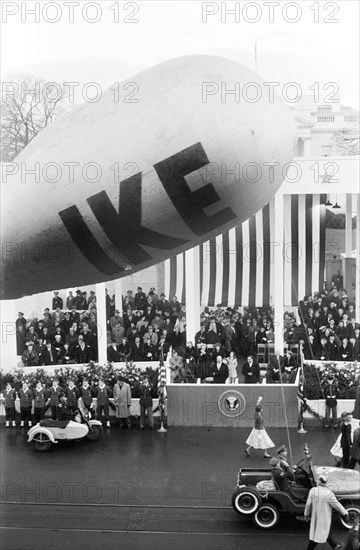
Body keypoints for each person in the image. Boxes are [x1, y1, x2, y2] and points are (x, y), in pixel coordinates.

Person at [303, 473, 348, 550]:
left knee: (320, 533)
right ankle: (334, 546)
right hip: (324, 518)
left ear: (318, 482)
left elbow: (308, 505)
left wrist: (306, 514)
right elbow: (337, 505)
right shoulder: (329, 493)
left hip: (315, 517)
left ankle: (334, 546)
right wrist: (345, 513)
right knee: (320, 534)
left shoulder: (312, 491)